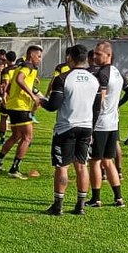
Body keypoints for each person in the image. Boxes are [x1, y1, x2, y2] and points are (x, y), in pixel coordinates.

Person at [40, 45, 101, 215]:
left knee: (62, 166)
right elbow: (97, 108)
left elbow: (53, 105)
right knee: (82, 165)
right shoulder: (94, 79)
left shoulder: (63, 78)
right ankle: (80, 206)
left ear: (70, 58)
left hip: (66, 128)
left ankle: (58, 206)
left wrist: (41, 100)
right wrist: (92, 128)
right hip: (86, 127)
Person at [87, 41, 128, 208]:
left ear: (108, 55)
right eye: (94, 53)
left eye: (98, 54)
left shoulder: (103, 73)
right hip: (113, 123)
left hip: (100, 124)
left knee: (95, 161)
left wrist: (91, 125)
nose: (94, 56)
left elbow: (100, 100)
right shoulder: (116, 72)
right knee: (108, 160)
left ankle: (96, 199)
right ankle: (118, 198)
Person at [0, 45, 44, 178]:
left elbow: (11, 84)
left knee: (16, 136)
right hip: (21, 107)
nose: (40, 59)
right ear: (31, 55)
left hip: (12, 105)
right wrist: (33, 96)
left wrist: (8, 95)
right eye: (38, 56)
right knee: (27, 137)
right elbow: (19, 79)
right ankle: (14, 168)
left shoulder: (19, 66)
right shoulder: (28, 66)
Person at [0, 51, 18, 143]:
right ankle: (18, 137)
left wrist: (3, 95)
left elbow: (6, 83)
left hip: (8, 97)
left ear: (7, 59)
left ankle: (2, 138)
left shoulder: (6, 70)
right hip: (17, 97)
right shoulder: (19, 68)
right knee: (16, 119)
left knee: (3, 118)